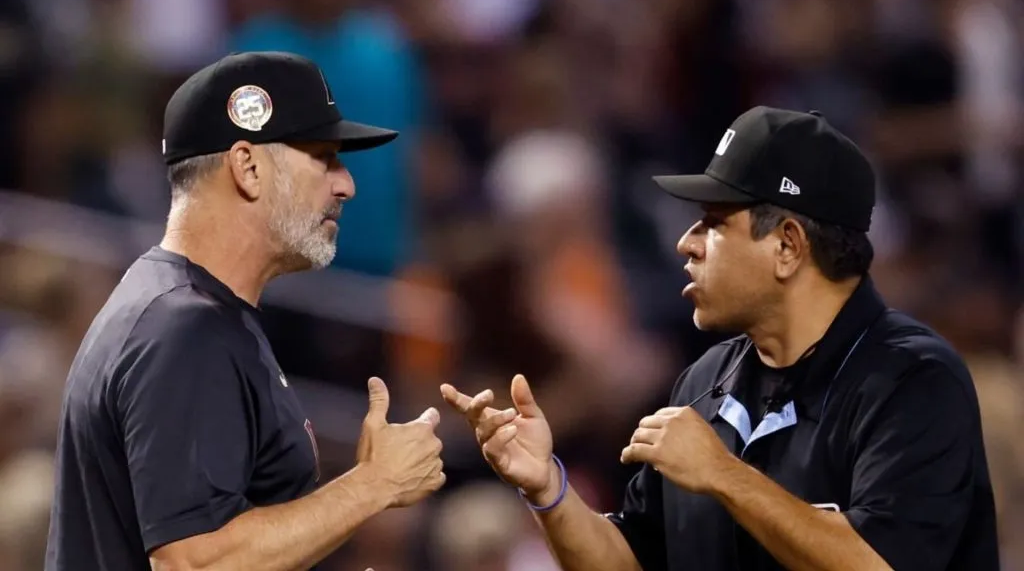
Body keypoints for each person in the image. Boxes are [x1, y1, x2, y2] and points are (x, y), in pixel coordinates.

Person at [442, 106, 1000, 571]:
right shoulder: (706, 382)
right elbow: (631, 560)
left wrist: (725, 476)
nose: (687, 243)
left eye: (713, 222)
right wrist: (549, 490)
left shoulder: (911, 380)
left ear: (787, 246)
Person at [45, 51, 446, 571]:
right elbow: (195, 561)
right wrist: (374, 484)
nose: (346, 184)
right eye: (324, 157)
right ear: (248, 166)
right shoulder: (181, 326)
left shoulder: (191, 309)